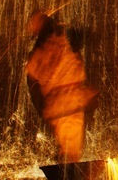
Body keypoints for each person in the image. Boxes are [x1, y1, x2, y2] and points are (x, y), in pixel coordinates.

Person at [25, 10, 98, 163]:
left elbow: (34, 83)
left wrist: (42, 106)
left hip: (62, 104)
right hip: (70, 102)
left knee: (68, 150)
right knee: (70, 150)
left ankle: (65, 179)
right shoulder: (64, 38)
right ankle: (67, 178)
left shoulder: (41, 50)